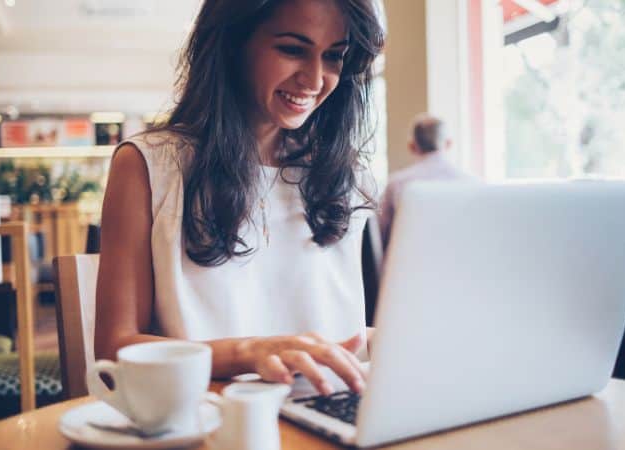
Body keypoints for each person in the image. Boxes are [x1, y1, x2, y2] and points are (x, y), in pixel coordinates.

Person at [95, 0, 385, 396]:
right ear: (232, 42)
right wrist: (251, 351)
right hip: (212, 415)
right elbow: (115, 349)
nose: (315, 79)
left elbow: (338, 326)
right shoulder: (149, 165)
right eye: (292, 49)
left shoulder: (347, 175)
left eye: (334, 57)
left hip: (331, 412)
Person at [377, 114, 474, 247]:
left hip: (408, 263)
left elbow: (381, 235)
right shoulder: (471, 184)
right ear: (449, 143)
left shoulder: (396, 184)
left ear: (411, 146)